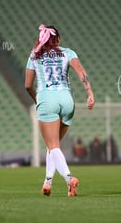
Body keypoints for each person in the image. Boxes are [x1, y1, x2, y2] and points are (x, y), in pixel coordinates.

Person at [25, 24, 95, 197]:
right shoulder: (67, 52)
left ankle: (69, 178)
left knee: (53, 145)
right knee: (53, 146)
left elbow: (27, 85)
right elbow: (80, 71)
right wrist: (90, 93)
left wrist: (37, 99)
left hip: (47, 98)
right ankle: (47, 182)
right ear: (58, 39)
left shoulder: (35, 55)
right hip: (67, 100)